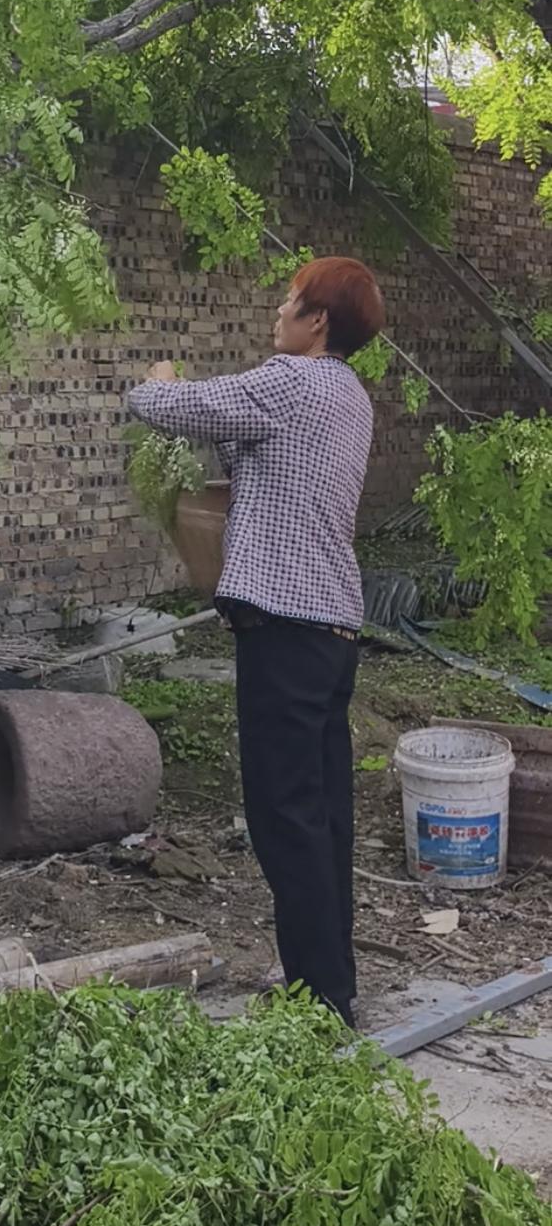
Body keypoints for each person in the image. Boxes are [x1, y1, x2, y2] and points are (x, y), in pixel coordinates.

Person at [126, 256, 385, 1028]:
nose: (278, 309)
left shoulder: (290, 382)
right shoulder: (349, 396)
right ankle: (330, 982)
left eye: (291, 301)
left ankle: (316, 1000)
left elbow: (177, 409)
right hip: (331, 626)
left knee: (285, 813)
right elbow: (257, 456)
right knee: (324, 812)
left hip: (287, 628)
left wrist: (158, 380)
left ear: (318, 324)